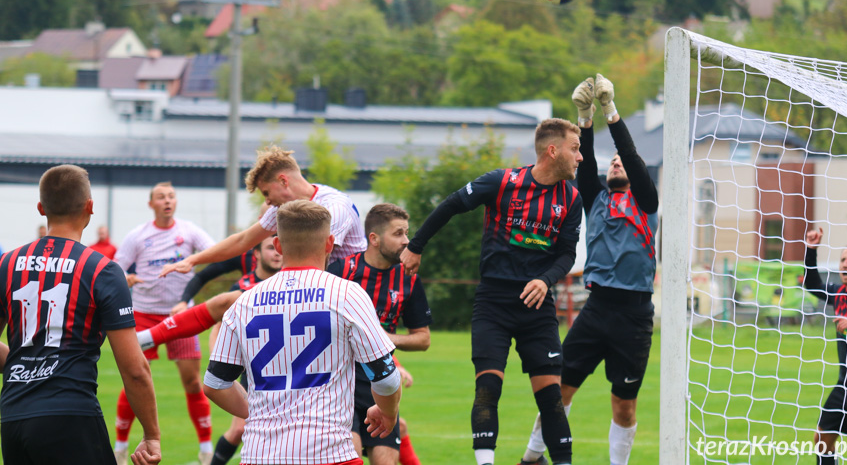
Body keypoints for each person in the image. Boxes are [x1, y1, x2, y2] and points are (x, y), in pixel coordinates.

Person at [400, 118, 584, 465]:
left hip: (538, 308)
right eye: (575, 149)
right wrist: (417, 245)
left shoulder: (571, 199)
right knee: (488, 389)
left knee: (551, 399)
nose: (581, 157)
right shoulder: (503, 182)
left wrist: (545, 280)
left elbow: (567, 254)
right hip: (493, 305)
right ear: (552, 150)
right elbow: (453, 204)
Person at [519, 74, 658, 465]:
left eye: (622, 163)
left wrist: (611, 113)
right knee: (559, 390)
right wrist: (585, 115)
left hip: (634, 316)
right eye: (611, 162)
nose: (615, 163)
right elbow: (587, 161)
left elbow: (628, 153)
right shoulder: (594, 198)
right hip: (596, 310)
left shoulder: (647, 204)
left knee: (624, 407)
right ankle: (531, 458)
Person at [203, 200, 402, 465]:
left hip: (260, 455)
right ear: (330, 243)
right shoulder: (347, 294)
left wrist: (263, 414)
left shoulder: (244, 303)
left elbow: (216, 384)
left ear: (278, 245)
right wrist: (388, 412)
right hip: (329, 453)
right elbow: (386, 378)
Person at [135, 146, 367, 354]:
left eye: (266, 193)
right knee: (229, 301)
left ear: (284, 181)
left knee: (236, 304)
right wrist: (193, 260)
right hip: (319, 286)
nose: (267, 201)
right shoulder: (287, 208)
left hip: (347, 291)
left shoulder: (333, 207)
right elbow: (243, 240)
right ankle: (145, 339)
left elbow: (318, 263)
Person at [0, 165, 161, 465]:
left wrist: (22, 364)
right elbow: (135, 368)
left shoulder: (7, 264)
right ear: (90, 207)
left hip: (13, 419)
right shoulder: (102, 270)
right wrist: (151, 434)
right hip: (71, 416)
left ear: (41, 208)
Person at [112, 182, 216, 465]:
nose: (167, 201)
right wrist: (127, 278)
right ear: (151, 204)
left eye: (171, 196)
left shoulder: (189, 231)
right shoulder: (138, 235)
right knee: (134, 377)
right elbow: (115, 267)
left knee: (193, 382)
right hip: (144, 314)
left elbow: (215, 253)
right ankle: (120, 448)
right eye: (161, 197)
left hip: (179, 316)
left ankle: (207, 452)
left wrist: (195, 263)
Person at [327, 203, 432, 465]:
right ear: (374, 239)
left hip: (381, 380)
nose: (406, 241)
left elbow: (423, 339)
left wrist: (381, 338)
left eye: (407, 233)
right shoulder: (340, 272)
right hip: (339, 380)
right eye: (398, 234)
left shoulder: (408, 279)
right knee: (350, 457)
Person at [208, 236, 282, 465]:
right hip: (254, 371)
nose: (277, 253)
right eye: (270, 248)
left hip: (287, 370)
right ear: (256, 254)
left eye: (278, 248)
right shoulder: (241, 289)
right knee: (240, 428)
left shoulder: (289, 284)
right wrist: (218, 360)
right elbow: (218, 328)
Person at [802, 227, 847, 465]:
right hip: (845, 385)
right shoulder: (839, 294)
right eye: (843, 259)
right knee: (822, 440)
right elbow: (813, 283)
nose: (846, 264)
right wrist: (811, 249)